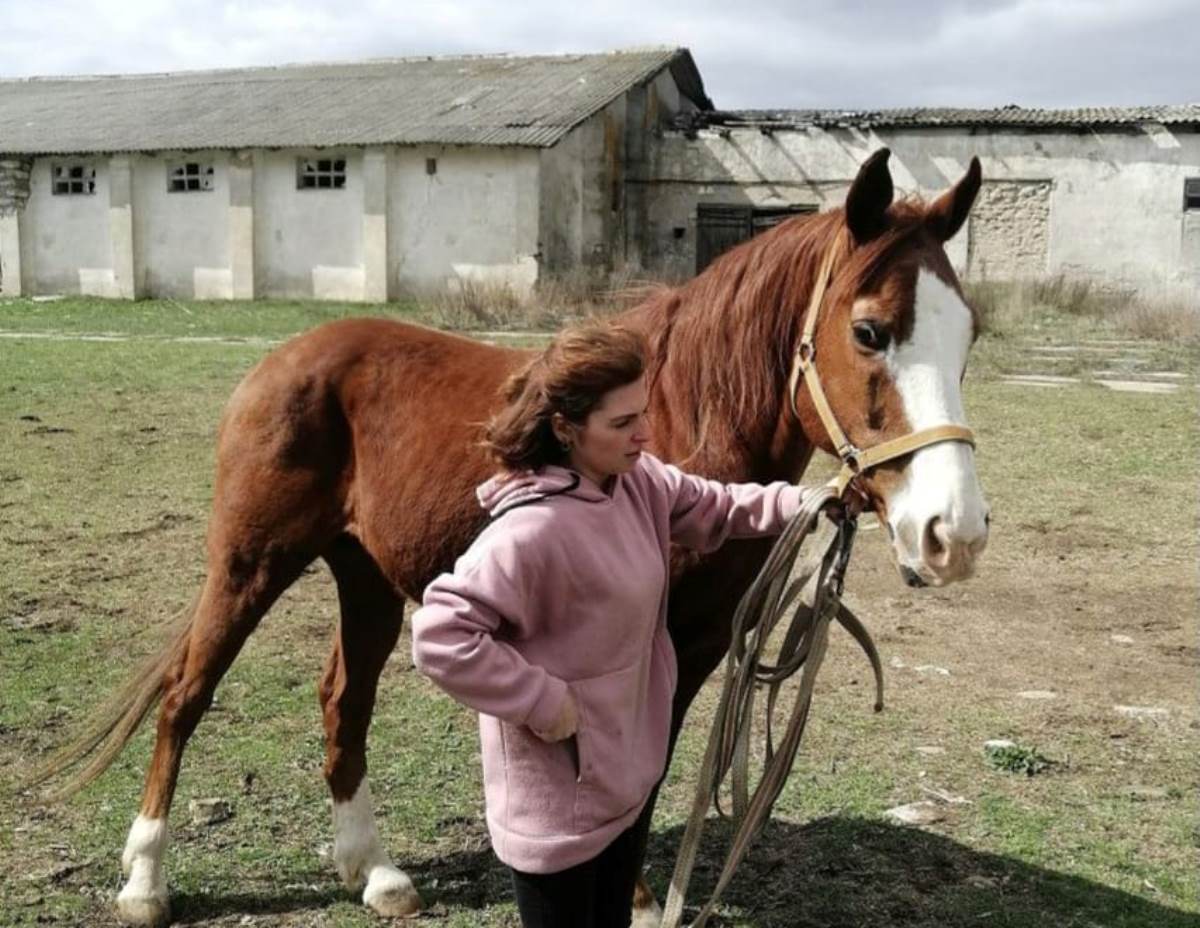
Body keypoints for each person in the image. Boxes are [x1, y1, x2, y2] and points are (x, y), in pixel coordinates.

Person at [410, 321, 826, 928]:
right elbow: (440, 635)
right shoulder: (530, 532)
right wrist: (541, 701)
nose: (645, 433)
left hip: (624, 781)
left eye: (644, 412)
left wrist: (805, 503)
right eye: (622, 422)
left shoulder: (638, 482)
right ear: (565, 429)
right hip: (559, 808)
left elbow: (713, 505)